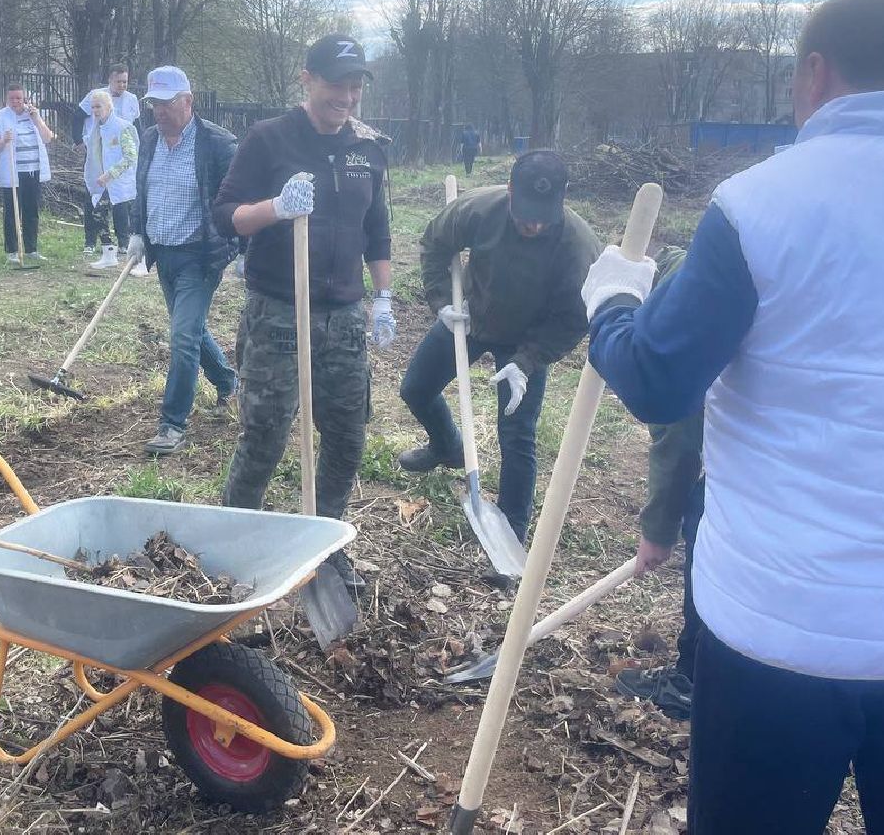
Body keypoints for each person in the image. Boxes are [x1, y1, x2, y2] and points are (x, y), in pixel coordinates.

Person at [582, 0, 884, 833]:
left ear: (815, 75)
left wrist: (611, 300)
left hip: (783, 630)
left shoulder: (762, 204)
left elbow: (655, 381)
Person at [214, 35, 394, 594]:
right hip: (279, 314)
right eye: (337, 82)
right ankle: (231, 546)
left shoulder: (370, 148)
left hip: (344, 318)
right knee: (264, 436)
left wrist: (383, 297)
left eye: (356, 84)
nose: (348, 94)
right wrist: (275, 209)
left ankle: (324, 546)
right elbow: (224, 216)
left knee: (347, 438)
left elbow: (378, 229)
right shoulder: (269, 140)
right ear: (307, 79)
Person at [397, 150, 598, 547]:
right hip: (472, 318)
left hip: (528, 340)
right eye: (525, 212)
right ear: (509, 191)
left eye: (544, 214)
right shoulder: (477, 209)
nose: (534, 223)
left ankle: (510, 534)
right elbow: (435, 243)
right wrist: (442, 302)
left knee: (517, 433)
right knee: (415, 389)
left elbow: (574, 318)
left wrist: (527, 362)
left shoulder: (578, 247)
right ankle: (447, 447)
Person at [126, 66, 240, 456]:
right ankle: (227, 383)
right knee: (188, 328)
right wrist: (138, 232)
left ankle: (172, 423)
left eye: (166, 102)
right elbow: (142, 190)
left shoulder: (217, 144)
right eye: (153, 103)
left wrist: (241, 247)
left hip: (200, 255)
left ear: (188, 101)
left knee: (182, 337)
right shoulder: (148, 140)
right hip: (164, 252)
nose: (158, 110)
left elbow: (233, 201)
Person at [612, 246, 704, 722]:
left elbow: (681, 430)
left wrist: (661, 528)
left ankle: (692, 680)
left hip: (745, 475)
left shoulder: (688, 305)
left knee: (709, 548)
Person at [79, 65, 141, 255]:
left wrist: (110, 174)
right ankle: (106, 247)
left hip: (117, 178)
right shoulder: (95, 129)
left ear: (109, 107)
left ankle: (120, 244)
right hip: (100, 177)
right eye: (94, 108)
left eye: (99, 107)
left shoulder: (123, 127)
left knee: (113, 210)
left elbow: (131, 155)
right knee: (96, 211)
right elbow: (93, 154)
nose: (96, 111)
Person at [0, 83, 54, 264]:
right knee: (12, 211)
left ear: (24, 98)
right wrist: (3, 140)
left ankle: (31, 248)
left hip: (33, 170)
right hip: (12, 171)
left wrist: (37, 119)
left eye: (19, 98)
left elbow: (48, 138)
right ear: (6, 99)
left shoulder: (33, 114)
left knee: (31, 210)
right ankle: (12, 250)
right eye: (12, 98)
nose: (16, 102)